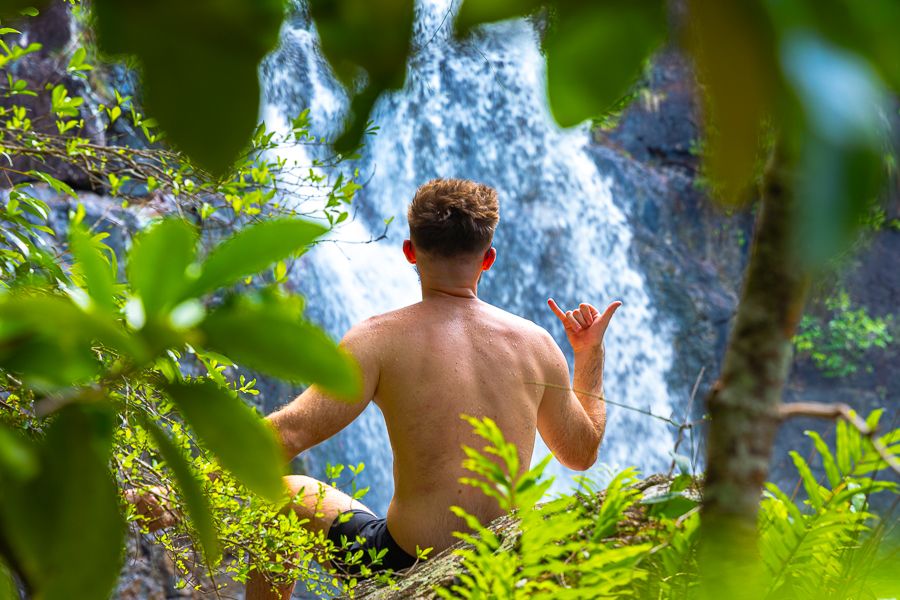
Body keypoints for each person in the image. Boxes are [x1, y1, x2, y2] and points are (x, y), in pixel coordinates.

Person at [244, 178, 621, 599]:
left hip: (404, 565)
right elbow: (581, 453)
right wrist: (589, 355)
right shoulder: (537, 345)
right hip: (502, 567)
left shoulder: (377, 339)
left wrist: (178, 489)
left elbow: (286, 435)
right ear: (488, 259)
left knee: (287, 494)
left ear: (409, 252)